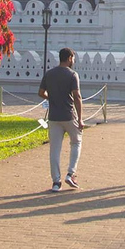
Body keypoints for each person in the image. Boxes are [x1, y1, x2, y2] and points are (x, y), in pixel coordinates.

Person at [38, 47, 84, 193]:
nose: (74, 61)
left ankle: (56, 182)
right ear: (69, 58)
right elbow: (77, 96)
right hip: (69, 115)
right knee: (76, 142)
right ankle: (71, 173)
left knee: (54, 150)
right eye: (73, 58)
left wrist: (51, 97)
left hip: (54, 117)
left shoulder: (49, 74)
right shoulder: (72, 75)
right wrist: (81, 118)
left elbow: (40, 93)